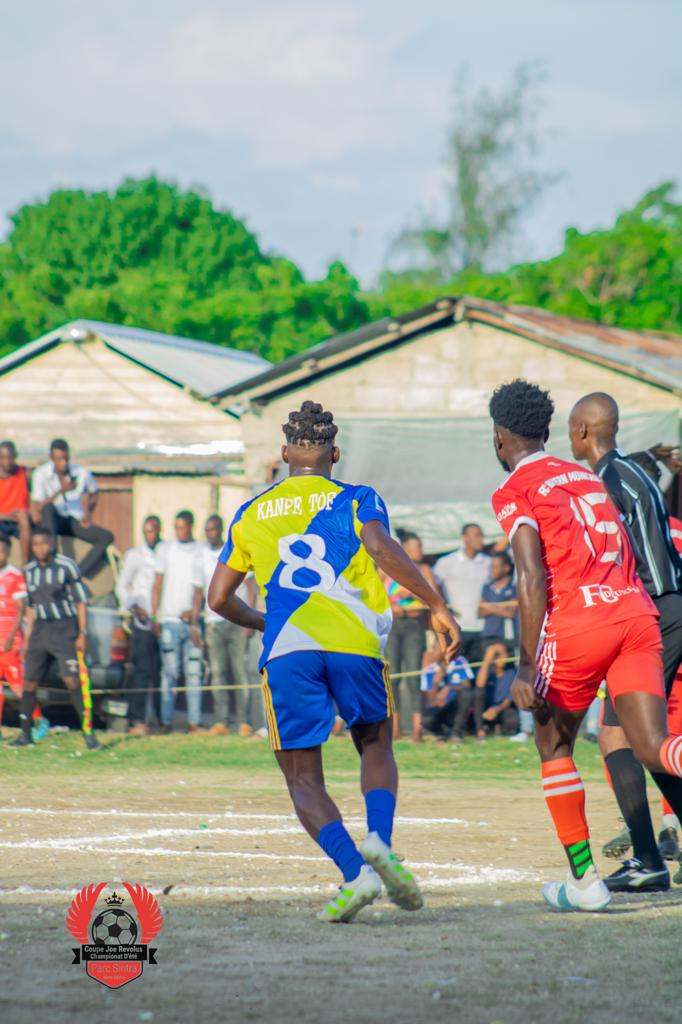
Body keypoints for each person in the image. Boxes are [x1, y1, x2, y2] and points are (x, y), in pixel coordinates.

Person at [208, 400, 460, 923]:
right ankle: (380, 843)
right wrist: (435, 603)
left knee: (303, 778)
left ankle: (355, 874)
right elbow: (380, 547)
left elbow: (217, 599)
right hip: (354, 642)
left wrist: (262, 622)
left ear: (283, 454)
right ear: (335, 453)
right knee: (375, 742)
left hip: (288, 650)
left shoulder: (252, 512)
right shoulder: (359, 498)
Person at [489, 378, 682, 913]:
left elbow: (530, 574)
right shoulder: (586, 473)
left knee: (553, 745)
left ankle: (585, 883)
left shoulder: (514, 490)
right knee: (653, 744)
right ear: (548, 431)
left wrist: (526, 665)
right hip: (637, 614)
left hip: (581, 623)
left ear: (500, 437)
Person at [569, 395, 682, 892]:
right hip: (669, 607)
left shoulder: (607, 484)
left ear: (581, 432)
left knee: (628, 737)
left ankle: (648, 860)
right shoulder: (632, 474)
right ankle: (648, 856)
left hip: (654, 612)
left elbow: (608, 560)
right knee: (636, 738)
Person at [11, 528, 101, 749]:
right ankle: (25, 735)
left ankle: (89, 735)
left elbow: (81, 602)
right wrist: (28, 638)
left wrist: (82, 633)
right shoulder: (29, 570)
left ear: (51, 542)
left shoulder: (66, 566)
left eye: (44, 543)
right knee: (29, 682)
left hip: (64, 629)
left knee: (72, 680)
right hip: (40, 631)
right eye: (36, 545)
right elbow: (31, 608)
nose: (41, 548)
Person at [191, 514, 257, 736]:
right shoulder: (200, 556)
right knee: (218, 672)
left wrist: (252, 620)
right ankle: (221, 721)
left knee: (239, 671)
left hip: (237, 620)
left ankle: (243, 722)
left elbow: (250, 586)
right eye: (206, 530)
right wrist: (194, 623)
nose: (209, 534)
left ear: (220, 530)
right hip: (212, 622)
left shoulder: (233, 548)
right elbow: (199, 592)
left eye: (213, 530)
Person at [383, 529, 439, 743]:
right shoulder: (388, 568)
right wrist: (392, 605)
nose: (420, 551)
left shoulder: (424, 570)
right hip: (395, 625)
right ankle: (395, 727)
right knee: (394, 675)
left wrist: (414, 592)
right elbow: (376, 596)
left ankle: (417, 727)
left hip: (416, 625)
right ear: (405, 548)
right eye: (417, 546)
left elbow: (434, 598)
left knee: (414, 675)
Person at [31, 439, 113, 579]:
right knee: (49, 509)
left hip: (74, 520)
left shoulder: (80, 472)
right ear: (52, 458)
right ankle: (53, 559)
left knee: (106, 537)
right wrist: (60, 491)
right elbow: (38, 507)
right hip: (53, 521)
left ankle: (77, 574)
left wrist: (88, 513)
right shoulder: (41, 473)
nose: (63, 463)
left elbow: (94, 492)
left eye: (66, 458)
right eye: (59, 459)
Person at [151, 510, 203, 733]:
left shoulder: (200, 550)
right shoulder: (166, 549)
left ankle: (194, 723)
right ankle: (166, 722)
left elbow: (199, 589)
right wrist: (156, 616)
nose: (179, 531)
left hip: (192, 623)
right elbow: (157, 584)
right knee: (169, 673)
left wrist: (194, 615)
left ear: (191, 526)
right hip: (169, 621)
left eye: (183, 526)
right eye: (176, 527)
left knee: (193, 674)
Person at [116, 515, 165, 736]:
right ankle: (136, 719)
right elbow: (122, 586)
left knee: (161, 672)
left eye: (153, 531)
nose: (150, 535)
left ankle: (159, 718)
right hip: (142, 620)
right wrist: (134, 607)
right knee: (141, 670)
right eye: (146, 531)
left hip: (163, 618)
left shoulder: (166, 552)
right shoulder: (134, 555)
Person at [0, 537, 47, 741]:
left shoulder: (15, 575)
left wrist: (12, 637)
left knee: (20, 686)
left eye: (1, 551)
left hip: (10, 641)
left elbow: (22, 610)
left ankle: (38, 720)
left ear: (8, 553)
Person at [434, 524, 490, 664]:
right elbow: (432, 585)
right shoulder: (446, 562)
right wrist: (443, 606)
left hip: (482, 627)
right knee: (456, 673)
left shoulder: (488, 562)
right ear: (465, 538)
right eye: (477, 535)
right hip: (456, 626)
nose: (481, 539)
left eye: (481, 535)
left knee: (479, 673)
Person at [479, 551, 518, 652]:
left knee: (506, 666)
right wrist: (501, 608)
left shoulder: (514, 588)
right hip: (488, 635)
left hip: (508, 637)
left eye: (496, 567)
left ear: (506, 568)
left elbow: (510, 613)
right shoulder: (487, 587)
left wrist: (489, 607)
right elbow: (480, 612)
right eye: (491, 567)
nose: (492, 570)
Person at [0, 441, 31, 566]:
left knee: (23, 518)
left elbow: (32, 499)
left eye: (10, 458)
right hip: (2, 520)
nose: (7, 461)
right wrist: (7, 515)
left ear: (16, 456)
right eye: (2, 458)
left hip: (19, 521)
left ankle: (25, 564)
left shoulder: (24, 473)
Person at [480, 641, 519, 736]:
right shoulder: (486, 671)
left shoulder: (511, 673)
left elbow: (508, 700)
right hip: (484, 709)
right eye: (499, 654)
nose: (503, 657)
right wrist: (486, 661)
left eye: (504, 654)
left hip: (501, 708)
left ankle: (500, 728)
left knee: (512, 720)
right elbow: (480, 685)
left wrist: (496, 710)